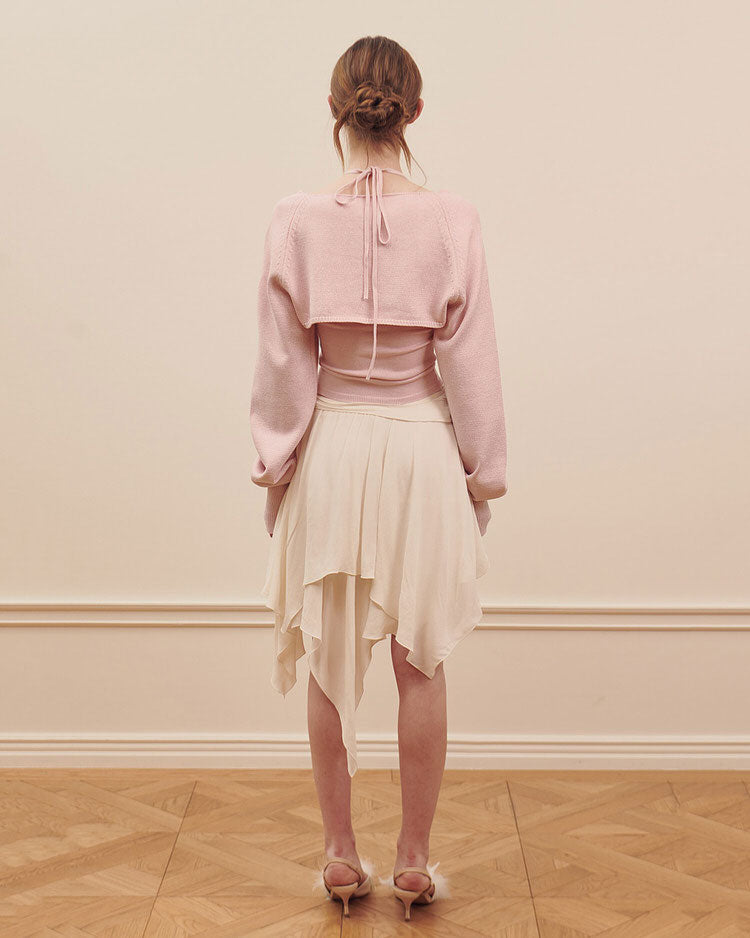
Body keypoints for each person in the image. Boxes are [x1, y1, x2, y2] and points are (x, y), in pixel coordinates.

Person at [249, 35, 508, 920]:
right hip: (420, 446)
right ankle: (413, 860)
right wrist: (482, 474)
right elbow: (470, 362)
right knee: (419, 659)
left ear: (335, 108)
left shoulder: (294, 218)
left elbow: (284, 364)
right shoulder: (454, 218)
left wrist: (277, 466)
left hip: (334, 444)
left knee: (330, 658)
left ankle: (339, 854)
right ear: (414, 111)